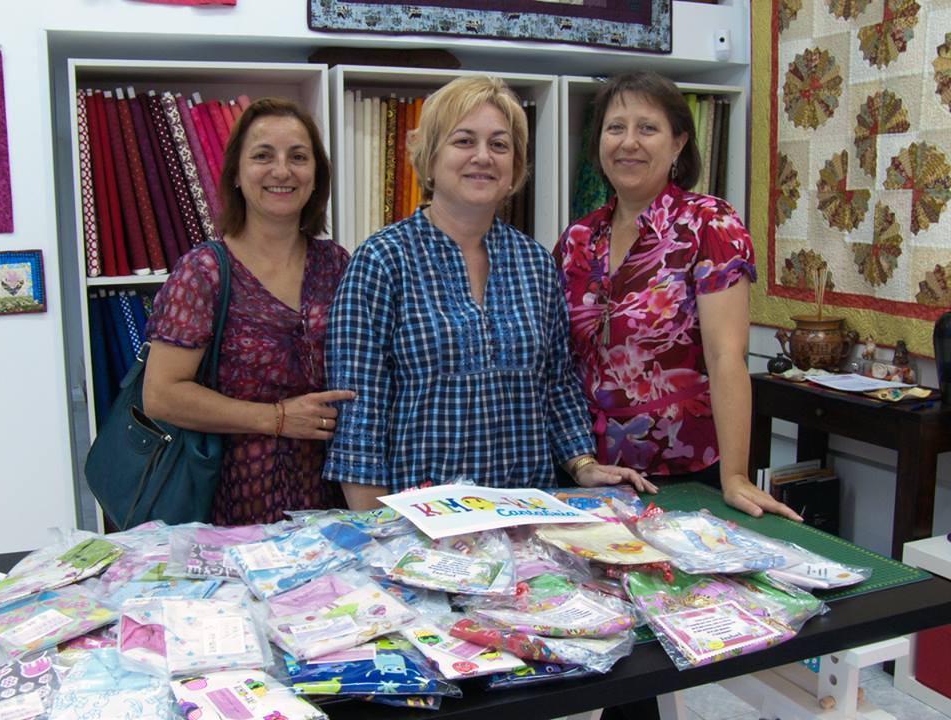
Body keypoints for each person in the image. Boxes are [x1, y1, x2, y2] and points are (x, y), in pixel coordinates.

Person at [322, 76, 656, 511]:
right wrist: (373, 527)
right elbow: (359, 408)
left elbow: (556, 383)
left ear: (515, 166)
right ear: (429, 157)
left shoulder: (535, 263)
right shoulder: (382, 261)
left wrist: (581, 462)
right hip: (420, 522)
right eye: (464, 141)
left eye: (499, 145)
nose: (483, 157)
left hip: (527, 513)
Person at [554, 71, 800, 522]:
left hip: (682, 473)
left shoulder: (709, 225)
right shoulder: (577, 238)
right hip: (588, 473)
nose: (629, 142)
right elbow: (558, 363)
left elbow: (728, 357)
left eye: (647, 128)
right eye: (616, 128)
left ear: (678, 143)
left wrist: (736, 477)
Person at [143, 97, 354, 525]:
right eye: (263, 156)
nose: (282, 171)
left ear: (316, 176)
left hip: (332, 500)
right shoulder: (205, 272)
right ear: (237, 174)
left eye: (298, 157)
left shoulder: (337, 264)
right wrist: (276, 418)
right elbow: (161, 395)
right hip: (232, 504)